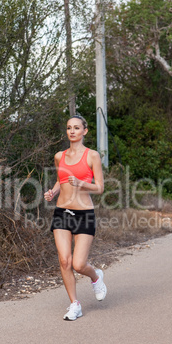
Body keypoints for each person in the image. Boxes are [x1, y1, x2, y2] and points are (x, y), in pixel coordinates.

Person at [44, 115, 107, 321]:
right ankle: (75, 304)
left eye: (77, 128)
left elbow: (99, 187)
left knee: (79, 265)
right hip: (62, 212)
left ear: (84, 131)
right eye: (69, 128)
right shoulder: (59, 156)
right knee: (65, 261)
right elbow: (60, 179)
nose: (72, 131)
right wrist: (53, 192)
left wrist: (81, 183)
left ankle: (96, 277)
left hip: (84, 214)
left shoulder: (92, 156)